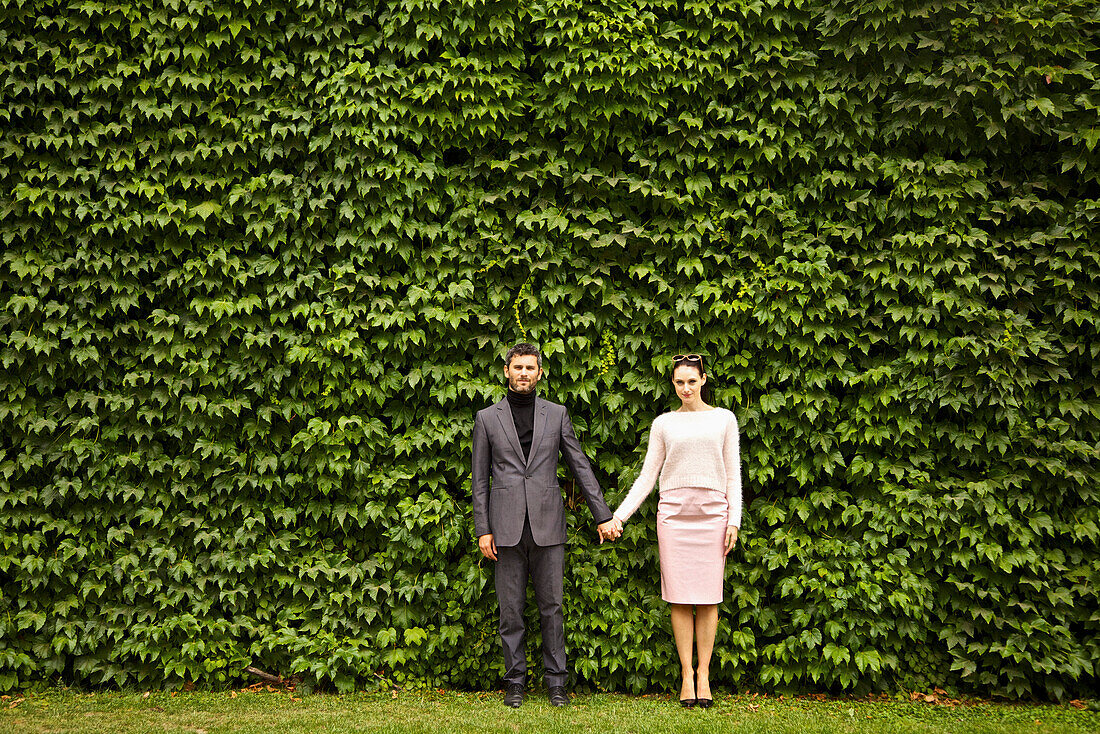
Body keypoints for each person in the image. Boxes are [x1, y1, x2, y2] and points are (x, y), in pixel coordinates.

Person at [471, 342, 621, 708]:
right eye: (517, 367)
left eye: (530, 368)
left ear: (540, 373)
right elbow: (479, 479)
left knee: (552, 607)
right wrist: (482, 528)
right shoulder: (487, 418)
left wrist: (603, 514)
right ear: (506, 371)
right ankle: (515, 683)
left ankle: (556, 683)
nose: (523, 373)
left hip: (548, 524)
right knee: (510, 610)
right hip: (504, 528)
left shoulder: (556, 414)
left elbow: (579, 464)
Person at [604, 353, 742, 708]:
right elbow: (648, 476)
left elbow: (732, 474)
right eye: (679, 382)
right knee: (679, 597)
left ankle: (705, 675)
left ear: (704, 380)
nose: (685, 388)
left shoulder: (724, 419)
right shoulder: (663, 423)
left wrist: (734, 520)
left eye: (691, 381)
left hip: (713, 515)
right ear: (673, 383)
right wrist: (618, 516)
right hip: (673, 517)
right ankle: (686, 676)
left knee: (709, 598)